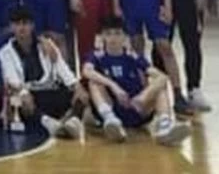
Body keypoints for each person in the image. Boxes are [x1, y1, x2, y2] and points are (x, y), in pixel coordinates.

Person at [82, 17, 192, 146]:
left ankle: (164, 127)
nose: (113, 38)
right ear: (102, 37)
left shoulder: (132, 56)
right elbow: (87, 71)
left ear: (125, 37)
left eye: (117, 34)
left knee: (160, 85)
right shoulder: (97, 56)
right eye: (109, 34)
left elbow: (162, 77)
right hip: (113, 106)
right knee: (94, 82)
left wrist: (142, 97)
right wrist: (113, 85)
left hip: (136, 107)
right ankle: (111, 120)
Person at [0, 6, 86, 138]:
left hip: (50, 91)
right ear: (11, 27)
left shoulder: (46, 45)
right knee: (21, 101)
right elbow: (12, 79)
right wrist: (23, 93)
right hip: (30, 95)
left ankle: (71, 122)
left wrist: (76, 85)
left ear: (32, 26)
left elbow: (62, 67)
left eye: (25, 23)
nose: (22, 28)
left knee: (82, 95)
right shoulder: (5, 52)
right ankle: (49, 123)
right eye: (17, 24)